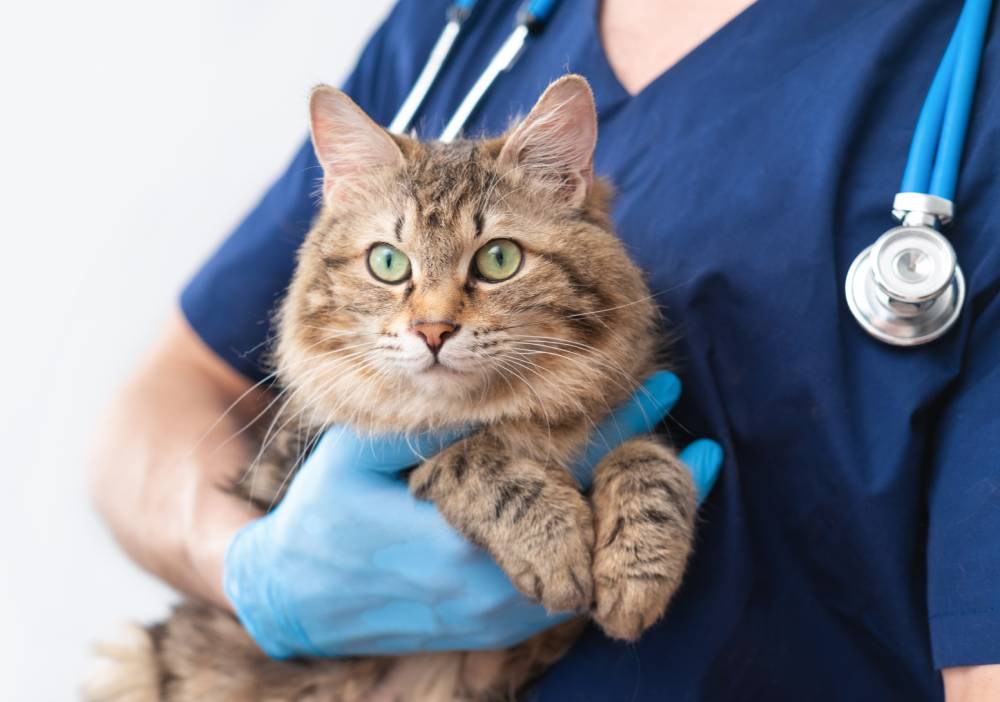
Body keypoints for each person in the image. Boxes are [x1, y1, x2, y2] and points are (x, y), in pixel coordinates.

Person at [88, 0, 1000, 699]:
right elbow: (175, 391)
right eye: (396, 266)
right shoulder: (461, 20)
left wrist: (641, 479)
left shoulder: (973, 75)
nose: (435, 315)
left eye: (492, 262)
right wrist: (253, 572)